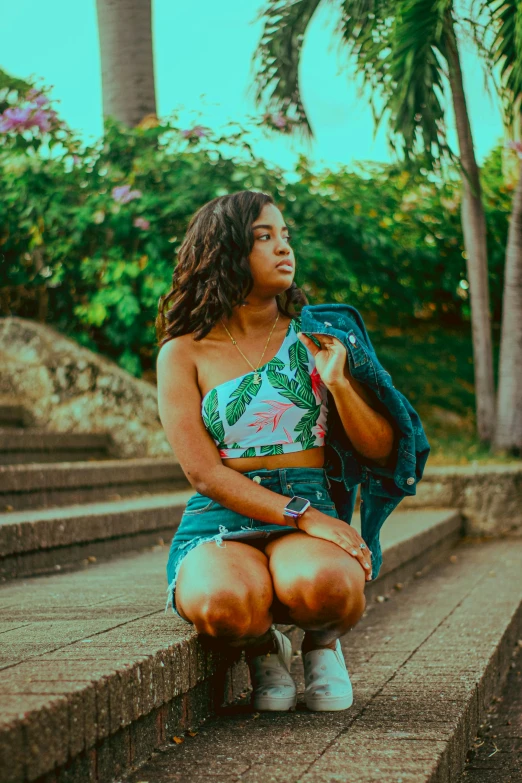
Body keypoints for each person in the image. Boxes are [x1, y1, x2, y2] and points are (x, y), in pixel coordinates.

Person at [156, 190, 396, 713]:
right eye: (263, 237)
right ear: (225, 253)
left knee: (328, 589)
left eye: (284, 236)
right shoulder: (183, 352)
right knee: (225, 606)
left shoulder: (322, 337)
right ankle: (266, 646)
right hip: (221, 513)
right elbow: (203, 473)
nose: (283, 249)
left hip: (307, 497)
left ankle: (321, 645)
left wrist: (342, 385)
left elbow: (380, 449)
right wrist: (305, 517)